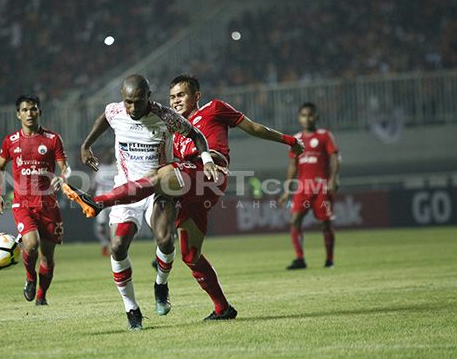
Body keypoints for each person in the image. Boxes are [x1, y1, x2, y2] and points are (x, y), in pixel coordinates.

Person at [65, 74, 304, 320]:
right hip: (189, 190)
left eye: (181, 95)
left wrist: (289, 141)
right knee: (190, 254)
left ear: (196, 96)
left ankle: (99, 202)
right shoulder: (172, 125)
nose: (176, 100)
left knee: (163, 173)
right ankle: (223, 308)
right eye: (172, 97)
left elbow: (253, 127)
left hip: (208, 174)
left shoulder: (214, 109)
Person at [67, 74, 217, 330]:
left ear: (149, 96)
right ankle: (132, 309)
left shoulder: (166, 117)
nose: (133, 108)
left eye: (138, 102)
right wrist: (86, 145)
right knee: (117, 246)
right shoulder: (116, 111)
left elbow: (197, 136)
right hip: (126, 189)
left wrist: (207, 158)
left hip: (159, 189)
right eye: (128, 102)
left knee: (165, 239)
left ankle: (161, 284)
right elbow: (104, 118)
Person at [0, 95, 70, 305]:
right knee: (31, 243)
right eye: (25, 110)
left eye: (33, 109)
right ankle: (29, 277)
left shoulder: (53, 139)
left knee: (48, 256)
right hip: (22, 203)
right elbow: (0, 167)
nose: (29, 113)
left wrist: (62, 178)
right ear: (18, 114)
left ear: (40, 112)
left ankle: (41, 296)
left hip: (49, 205)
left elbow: (65, 167)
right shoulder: (10, 141)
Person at [280, 102, 340, 270]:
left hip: (321, 186)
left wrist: (334, 178)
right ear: (299, 118)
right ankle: (300, 259)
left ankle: (329, 259)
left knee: (325, 223)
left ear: (316, 116)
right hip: (302, 187)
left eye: (310, 115)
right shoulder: (297, 139)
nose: (307, 119)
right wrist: (287, 190)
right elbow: (293, 165)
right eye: (304, 116)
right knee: (294, 220)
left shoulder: (324, 135)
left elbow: (335, 157)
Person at [91, 148, 117, 257]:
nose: (107, 157)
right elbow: (93, 186)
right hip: (101, 200)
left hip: (114, 200)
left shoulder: (117, 168)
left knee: (114, 224)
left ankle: (114, 245)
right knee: (101, 225)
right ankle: (104, 243)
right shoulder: (98, 169)